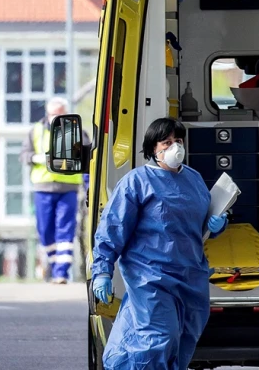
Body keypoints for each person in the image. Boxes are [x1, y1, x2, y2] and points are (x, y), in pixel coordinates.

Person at [91, 117, 229, 369]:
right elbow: (112, 228)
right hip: (151, 276)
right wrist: (102, 270)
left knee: (185, 339)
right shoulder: (137, 182)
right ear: (153, 148)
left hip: (191, 276)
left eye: (178, 141)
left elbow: (196, 224)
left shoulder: (194, 179)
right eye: (166, 142)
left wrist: (217, 226)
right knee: (159, 337)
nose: (175, 147)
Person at [20, 97, 90, 284]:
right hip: (43, 188)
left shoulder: (77, 132)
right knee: (45, 231)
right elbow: (24, 155)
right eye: (53, 114)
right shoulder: (35, 131)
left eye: (60, 113)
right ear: (48, 114)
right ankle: (54, 264)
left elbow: (87, 161)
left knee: (65, 230)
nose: (56, 117)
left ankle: (61, 273)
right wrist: (36, 158)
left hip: (68, 188)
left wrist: (88, 184)